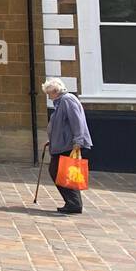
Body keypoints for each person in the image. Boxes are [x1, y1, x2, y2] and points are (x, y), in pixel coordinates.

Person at [43, 77, 92, 215]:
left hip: (69, 145)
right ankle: (73, 203)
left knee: (63, 172)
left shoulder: (67, 100)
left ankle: (74, 203)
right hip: (62, 144)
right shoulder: (60, 102)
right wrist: (52, 140)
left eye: (49, 93)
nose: (49, 97)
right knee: (60, 172)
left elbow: (77, 121)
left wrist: (78, 141)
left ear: (55, 91)